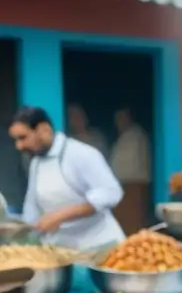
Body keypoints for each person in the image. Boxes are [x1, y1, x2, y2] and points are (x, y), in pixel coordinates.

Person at [9, 106, 125, 249]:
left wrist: (60, 215)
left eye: (23, 138)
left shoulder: (81, 153)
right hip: (63, 249)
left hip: (100, 245)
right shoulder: (36, 164)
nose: (19, 146)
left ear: (44, 130)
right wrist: (21, 232)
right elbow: (32, 209)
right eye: (16, 140)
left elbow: (111, 192)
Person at [110, 107, 152, 234]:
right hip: (123, 188)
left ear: (129, 118)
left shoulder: (136, 136)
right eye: (117, 118)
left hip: (133, 187)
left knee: (132, 225)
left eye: (122, 117)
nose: (119, 122)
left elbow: (128, 168)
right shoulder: (124, 137)